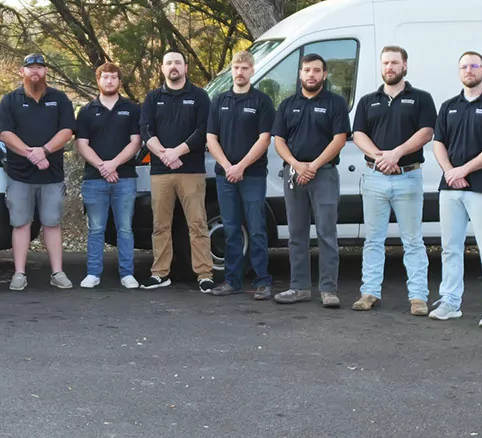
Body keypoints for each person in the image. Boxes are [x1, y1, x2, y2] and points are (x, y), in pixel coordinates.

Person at [351, 46, 436, 315]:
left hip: (408, 176)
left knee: (412, 240)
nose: (390, 67)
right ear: (381, 66)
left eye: (395, 63)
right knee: (373, 240)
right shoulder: (368, 100)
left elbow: (427, 132)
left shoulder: (421, 98)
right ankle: (369, 293)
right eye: (386, 63)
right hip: (374, 177)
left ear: (405, 66)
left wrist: (396, 154)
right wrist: (380, 158)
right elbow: (358, 134)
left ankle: (418, 297)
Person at [430, 51, 482, 329]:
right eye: (464, 66)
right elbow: (438, 143)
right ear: (459, 72)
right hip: (450, 187)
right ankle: (450, 302)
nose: (469, 70)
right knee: (450, 249)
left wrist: (463, 171)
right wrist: (450, 172)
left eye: (474, 66)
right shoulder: (449, 105)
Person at [271, 53, 350, 308]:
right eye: (307, 70)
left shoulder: (335, 103)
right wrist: (297, 165)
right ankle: (299, 287)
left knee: (327, 233)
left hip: (324, 174)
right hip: (294, 174)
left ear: (324, 75)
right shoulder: (287, 104)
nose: (311, 75)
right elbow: (279, 140)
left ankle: (329, 290)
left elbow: (339, 138)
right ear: (300, 74)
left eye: (317, 70)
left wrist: (313, 166)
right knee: (297, 234)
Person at [0, 53, 76, 291]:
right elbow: (5, 134)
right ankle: (19, 273)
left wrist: (44, 150)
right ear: (22, 72)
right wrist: (31, 154)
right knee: (21, 224)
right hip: (19, 175)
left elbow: (68, 130)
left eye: (40, 67)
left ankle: (57, 272)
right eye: (30, 68)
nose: (35, 72)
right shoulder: (10, 100)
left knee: (52, 223)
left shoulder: (59, 99)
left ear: (45, 72)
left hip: (52, 175)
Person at [205, 50, 276, 301]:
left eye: (245, 68)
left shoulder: (262, 101)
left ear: (252, 71)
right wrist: (227, 167)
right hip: (225, 176)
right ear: (231, 70)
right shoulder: (219, 100)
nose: (240, 72)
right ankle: (232, 281)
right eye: (236, 67)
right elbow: (211, 138)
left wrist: (241, 167)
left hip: (253, 175)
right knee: (231, 228)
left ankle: (262, 281)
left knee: (256, 228)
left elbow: (264, 139)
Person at [138, 51, 212, 291]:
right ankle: (160, 273)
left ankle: (204, 274)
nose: (173, 67)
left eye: (177, 63)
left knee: (198, 224)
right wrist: (165, 155)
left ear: (185, 67)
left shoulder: (199, 96)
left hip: (191, 171)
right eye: (169, 63)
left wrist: (177, 153)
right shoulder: (153, 97)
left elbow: (203, 130)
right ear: (162, 68)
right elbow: (145, 130)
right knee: (160, 225)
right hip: (160, 172)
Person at [75, 62, 142, 289]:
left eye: (113, 77)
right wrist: (102, 167)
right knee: (96, 229)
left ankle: (127, 274)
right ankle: (93, 273)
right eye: (105, 77)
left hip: (125, 178)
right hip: (94, 179)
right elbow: (82, 144)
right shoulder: (86, 111)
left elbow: (136, 142)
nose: (110, 81)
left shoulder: (132, 109)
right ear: (98, 80)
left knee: (125, 228)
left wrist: (113, 164)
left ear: (119, 81)